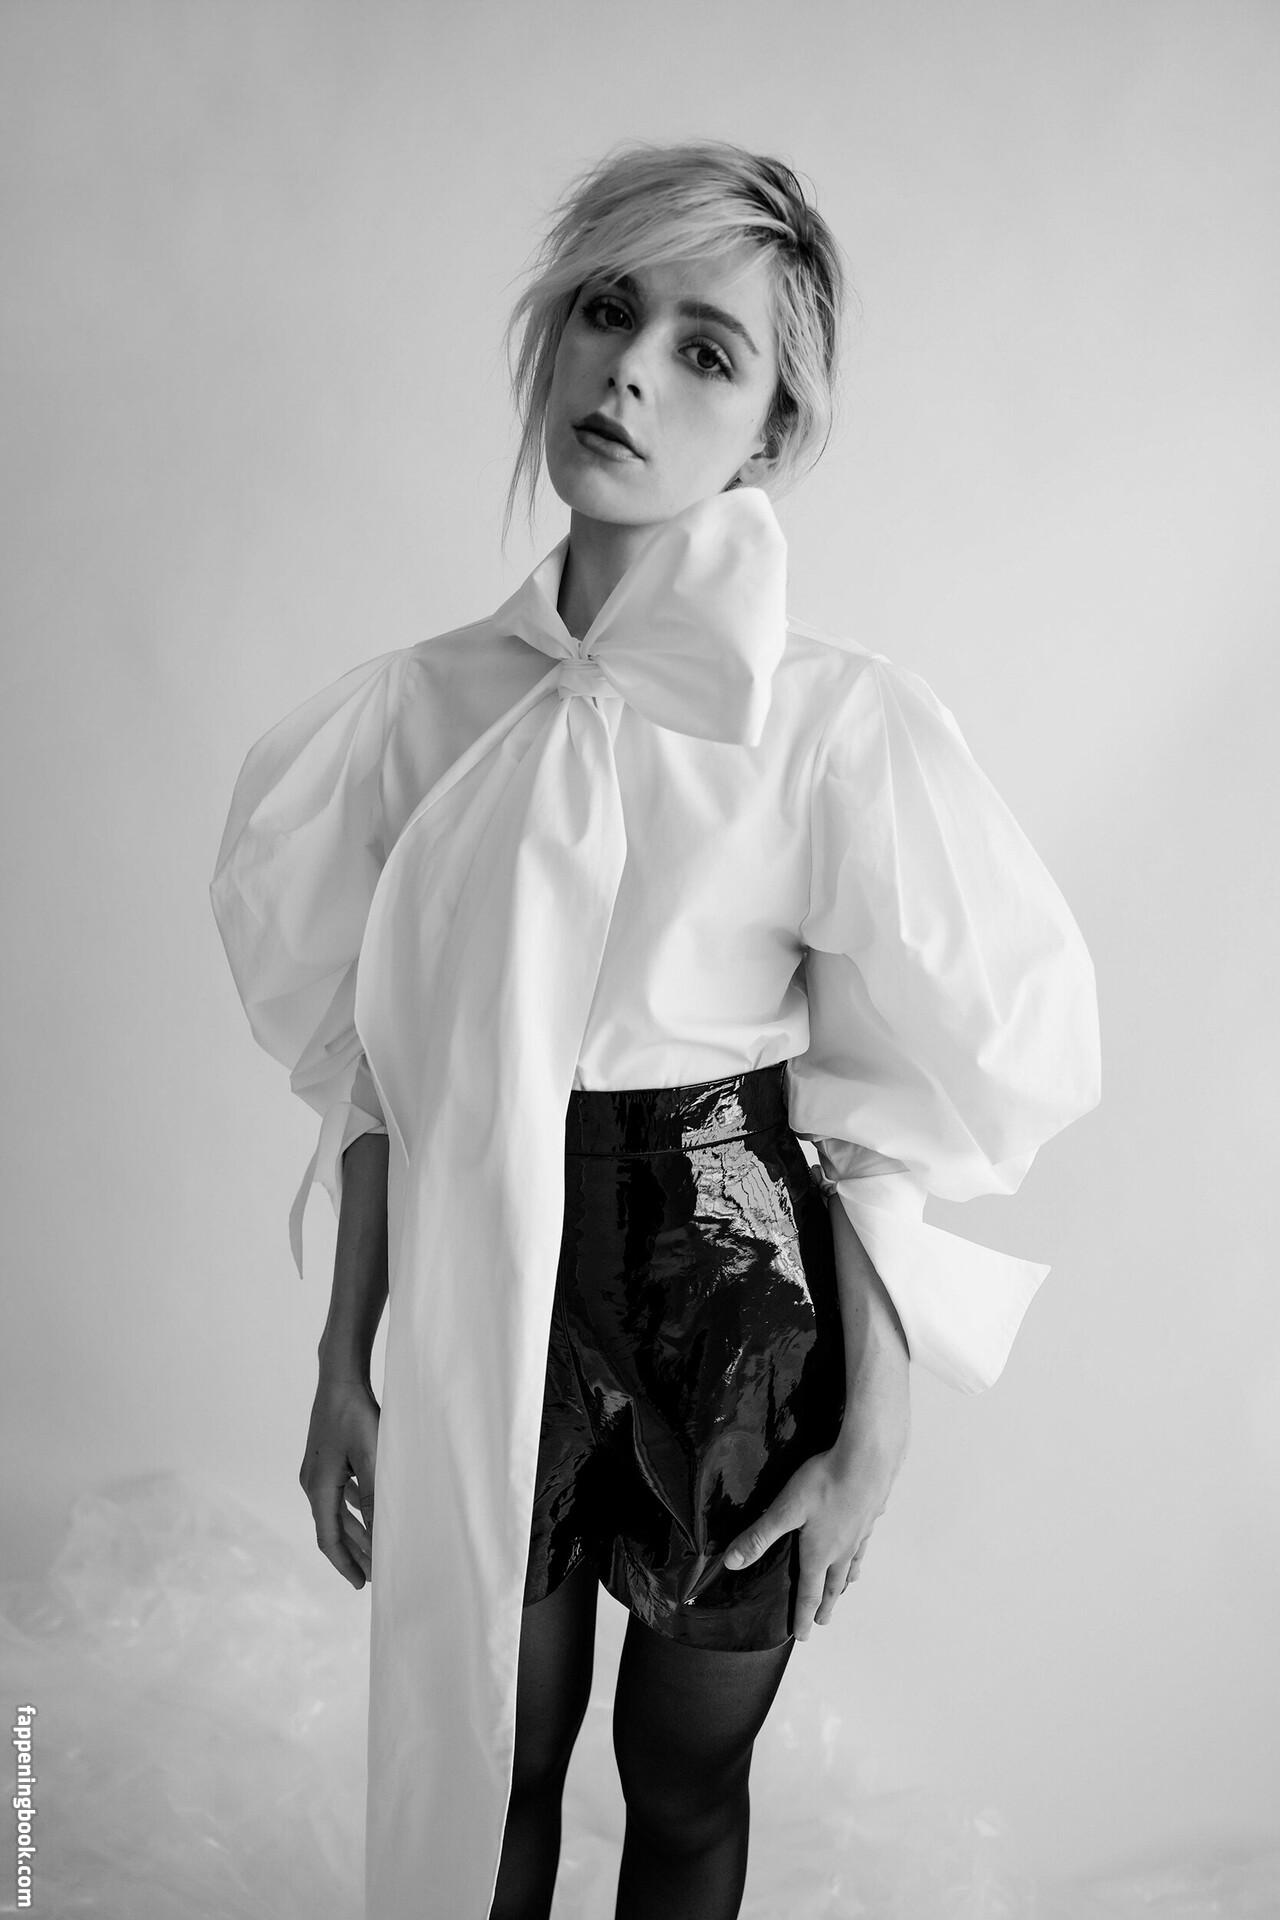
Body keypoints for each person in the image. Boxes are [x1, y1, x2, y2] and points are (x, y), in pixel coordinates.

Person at [211, 141, 1100, 1920]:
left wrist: (874, 1436)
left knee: (685, 1792)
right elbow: (384, 1075)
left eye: (708, 350)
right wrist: (342, 1362)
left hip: (735, 1292)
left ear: (773, 429)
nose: (630, 372)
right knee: (490, 1768)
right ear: (550, 335)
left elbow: (880, 1121)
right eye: (607, 311)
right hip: (486, 1285)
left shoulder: (833, 724)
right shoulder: (414, 712)